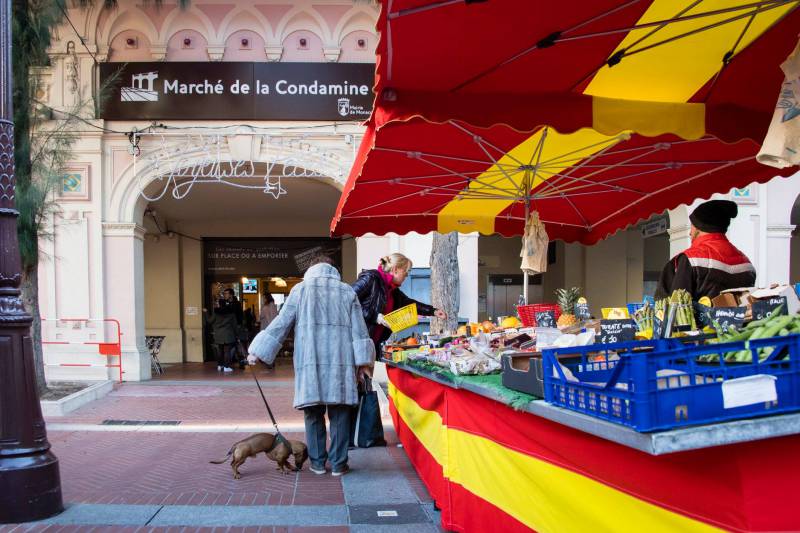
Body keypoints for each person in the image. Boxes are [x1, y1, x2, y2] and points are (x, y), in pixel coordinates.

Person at [247, 256, 375, 477]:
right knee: (340, 414)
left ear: (311, 268)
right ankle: (338, 464)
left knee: (313, 414)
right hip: (340, 363)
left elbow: (281, 323)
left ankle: (317, 464)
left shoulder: (300, 290)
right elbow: (359, 331)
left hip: (310, 363)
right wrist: (363, 363)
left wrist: (257, 351)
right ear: (333, 269)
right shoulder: (346, 291)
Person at [656, 200, 756, 300]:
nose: (690, 233)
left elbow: (676, 305)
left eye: (692, 226)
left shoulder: (690, 259)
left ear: (699, 227)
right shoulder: (747, 265)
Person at [352, 253, 447, 355]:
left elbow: (410, 304)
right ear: (395, 269)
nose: (407, 275)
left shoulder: (392, 290)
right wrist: (376, 316)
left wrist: (433, 311)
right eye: (406, 271)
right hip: (356, 343)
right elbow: (348, 301)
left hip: (371, 346)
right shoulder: (371, 278)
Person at [203, 288, 240, 373]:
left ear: (219, 305)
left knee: (220, 350)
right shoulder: (231, 314)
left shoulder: (216, 314)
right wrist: (236, 334)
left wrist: (205, 312)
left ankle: (220, 365)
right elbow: (234, 326)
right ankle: (227, 366)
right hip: (228, 334)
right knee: (227, 351)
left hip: (218, 335)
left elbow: (209, 321)